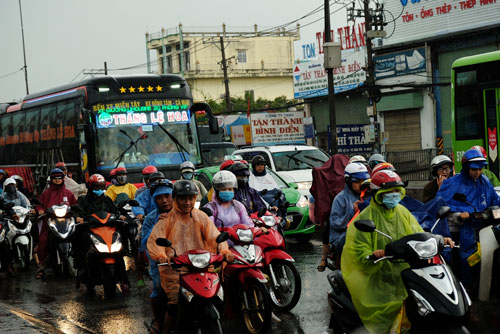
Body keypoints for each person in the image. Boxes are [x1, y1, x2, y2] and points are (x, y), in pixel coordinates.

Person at [341, 169, 453, 333]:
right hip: (378, 282)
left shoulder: (402, 212)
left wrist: (440, 240)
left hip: (405, 276)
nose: (394, 195)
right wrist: (373, 254)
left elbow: (418, 233)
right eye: (389, 192)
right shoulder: (364, 219)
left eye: (396, 191)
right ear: (378, 194)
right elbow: (357, 251)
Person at [147, 180, 232, 333]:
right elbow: (155, 240)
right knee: (174, 306)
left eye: (191, 198)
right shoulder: (166, 219)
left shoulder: (201, 217)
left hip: (202, 266)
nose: (187, 202)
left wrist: (224, 251)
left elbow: (215, 236)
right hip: (176, 271)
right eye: (183, 198)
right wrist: (160, 255)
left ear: (195, 198)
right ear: (176, 199)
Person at [436, 148, 500, 290]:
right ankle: (467, 288)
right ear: (466, 167)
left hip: (484, 222)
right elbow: (439, 203)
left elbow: (494, 199)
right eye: (474, 169)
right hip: (465, 226)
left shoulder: (484, 181)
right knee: (467, 257)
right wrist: (459, 212)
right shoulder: (453, 182)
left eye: (480, 169)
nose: (477, 172)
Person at [140, 179, 174, 334]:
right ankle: (159, 322)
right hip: (160, 263)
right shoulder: (151, 218)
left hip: (184, 259)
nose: (164, 200)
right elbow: (145, 243)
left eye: (167, 196)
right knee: (159, 290)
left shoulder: (184, 213)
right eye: (160, 197)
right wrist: (156, 226)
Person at [310, 154, 350, 272]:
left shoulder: (361, 185)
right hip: (338, 216)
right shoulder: (340, 196)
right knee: (328, 229)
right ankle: (324, 257)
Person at [34, 168, 77, 279]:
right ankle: (42, 265)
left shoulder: (68, 193)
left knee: (79, 235)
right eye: (55, 178)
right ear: (51, 179)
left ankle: (81, 262)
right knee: (43, 240)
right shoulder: (46, 193)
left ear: (63, 179)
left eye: (60, 178)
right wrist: (40, 209)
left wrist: (76, 210)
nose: (57, 180)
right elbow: (39, 204)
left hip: (67, 222)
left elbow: (75, 204)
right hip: (50, 222)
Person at [329, 163, 370, 255]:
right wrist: (352, 213)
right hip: (343, 235)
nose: (361, 184)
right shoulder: (340, 198)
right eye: (357, 181)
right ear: (348, 180)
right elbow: (335, 223)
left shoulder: (369, 196)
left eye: (364, 181)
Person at [248, 155, 284, 219]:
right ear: (254, 166)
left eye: (262, 164)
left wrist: (280, 216)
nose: (260, 167)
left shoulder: (269, 176)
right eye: (258, 165)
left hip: (274, 213)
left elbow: (279, 193)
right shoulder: (250, 177)